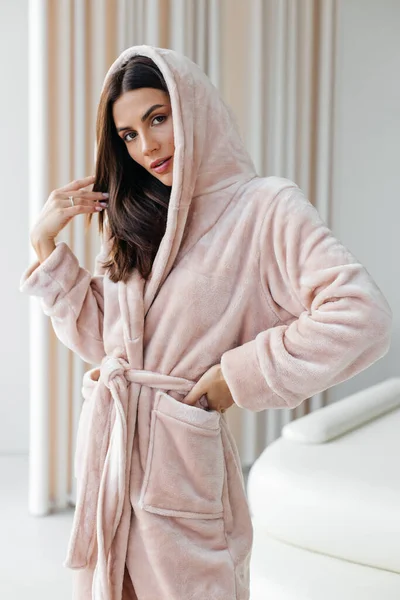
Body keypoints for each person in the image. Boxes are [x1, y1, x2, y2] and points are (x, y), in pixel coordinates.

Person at [20, 46, 392, 600]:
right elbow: (107, 343)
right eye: (128, 135)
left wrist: (237, 376)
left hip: (180, 471)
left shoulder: (264, 208)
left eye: (157, 118)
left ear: (193, 107)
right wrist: (45, 244)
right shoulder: (135, 215)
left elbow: (362, 316)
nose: (147, 147)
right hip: (112, 461)